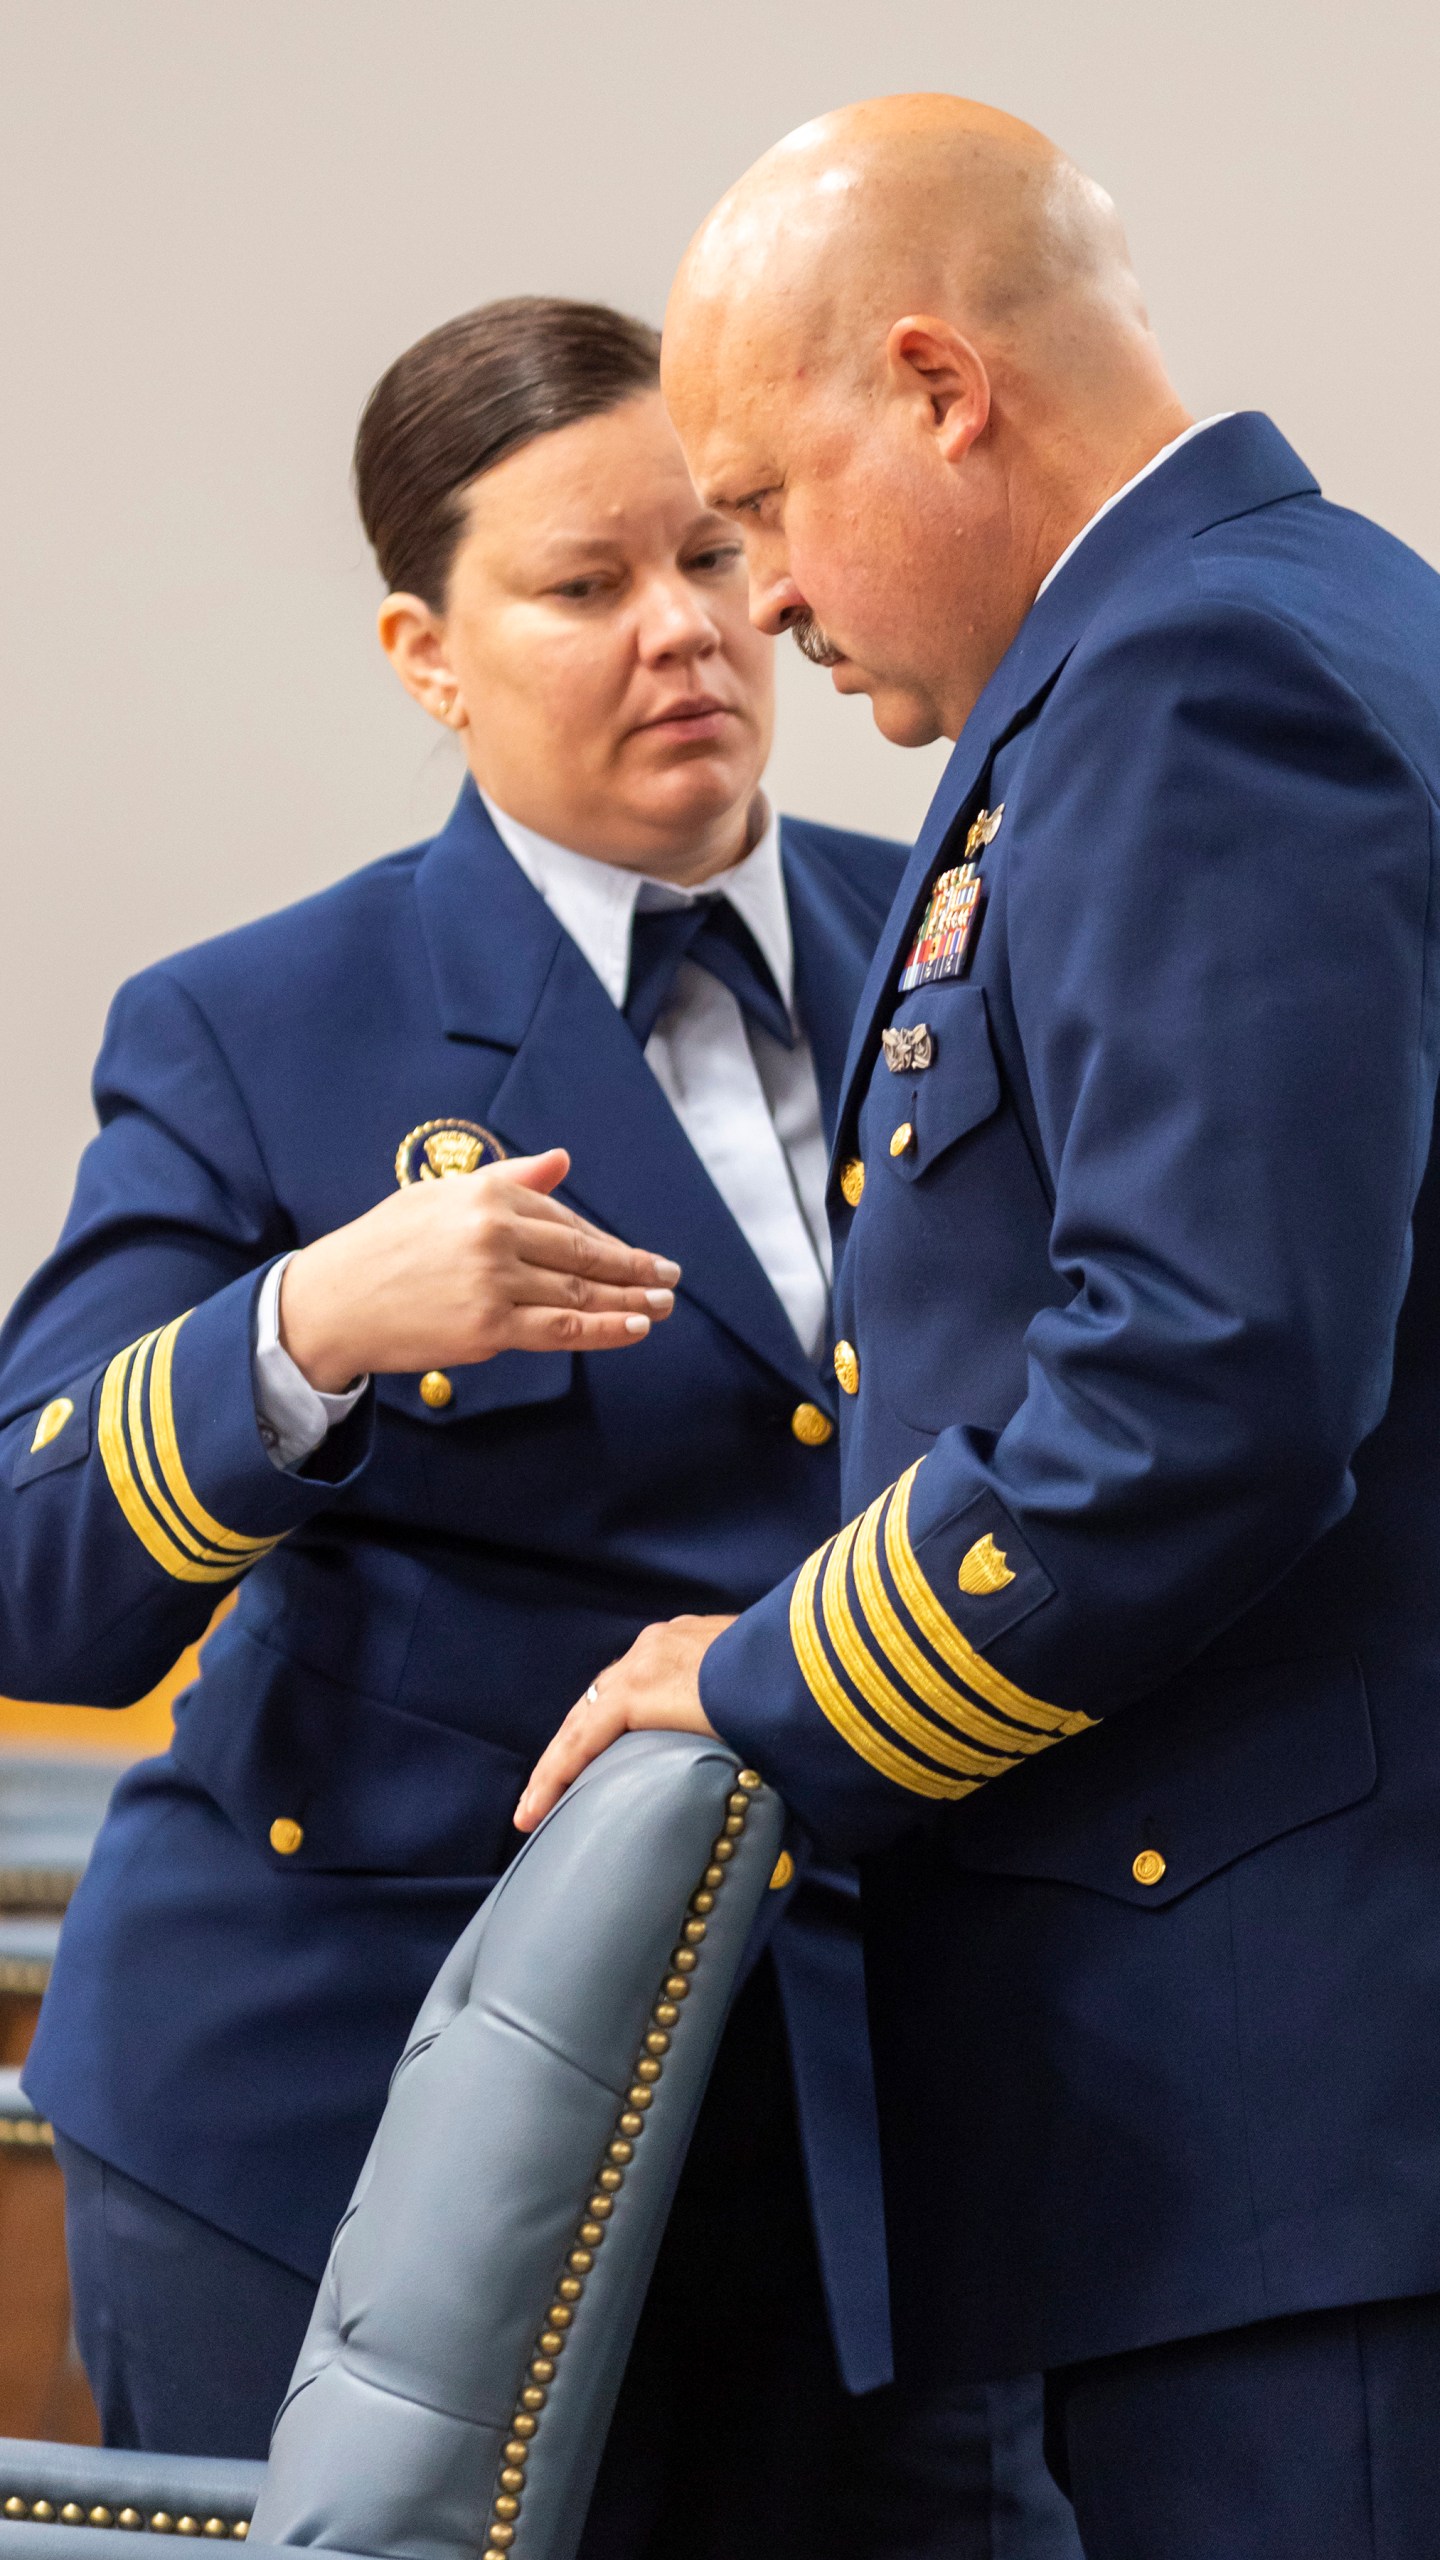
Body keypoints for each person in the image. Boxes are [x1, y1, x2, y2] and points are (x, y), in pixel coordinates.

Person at [0, 295, 1077, 2560]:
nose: (685, 628)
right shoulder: (261, 1025)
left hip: (882, 2112)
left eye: (709, 552)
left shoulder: (972, 930)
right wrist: (308, 1323)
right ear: (427, 649)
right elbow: (37, 1572)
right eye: (587, 586)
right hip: (359, 2105)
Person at [518, 98, 1440, 2560]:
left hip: (1288, 2124)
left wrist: (761, 1682)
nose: (768, 599)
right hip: (1251, 2106)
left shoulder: (1201, 679)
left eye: (762, 505)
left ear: (939, 385)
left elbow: (1199, 1391)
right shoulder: (1263, 631)